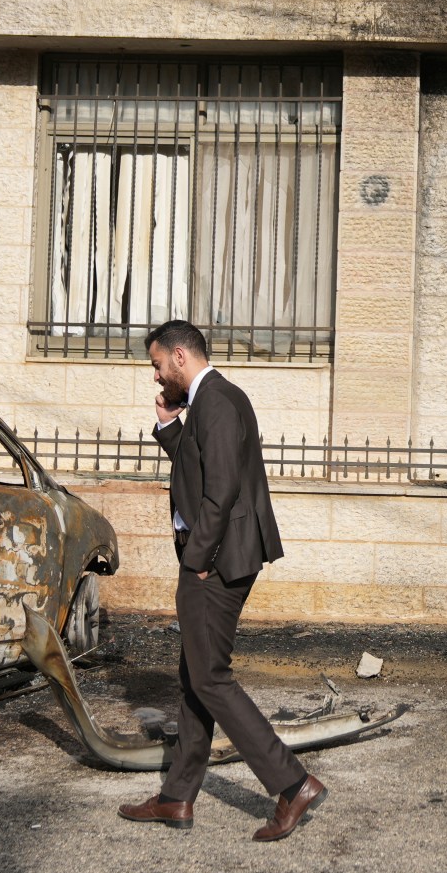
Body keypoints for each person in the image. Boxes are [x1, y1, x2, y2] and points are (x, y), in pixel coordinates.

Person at [116, 319, 327, 841]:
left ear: (181, 358)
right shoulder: (210, 402)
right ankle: (176, 797)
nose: (157, 376)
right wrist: (169, 426)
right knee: (195, 676)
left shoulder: (217, 401)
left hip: (216, 560)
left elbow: (224, 488)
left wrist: (198, 559)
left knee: (210, 677)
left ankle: (291, 783)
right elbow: (200, 466)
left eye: (159, 364)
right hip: (220, 554)